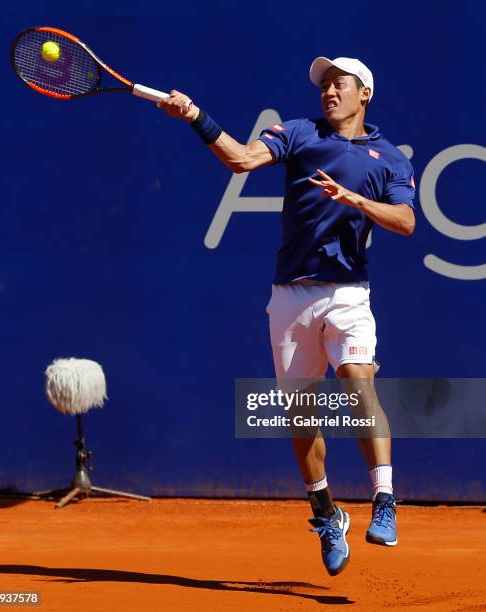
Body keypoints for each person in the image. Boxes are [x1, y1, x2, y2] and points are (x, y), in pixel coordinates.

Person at [157, 56, 415, 576]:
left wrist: (355, 200)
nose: (328, 92)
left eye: (339, 84)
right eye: (324, 85)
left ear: (364, 93)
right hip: (290, 295)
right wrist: (195, 115)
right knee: (300, 414)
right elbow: (241, 160)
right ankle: (325, 513)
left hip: (348, 293)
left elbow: (406, 221)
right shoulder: (299, 133)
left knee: (358, 382)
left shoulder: (388, 158)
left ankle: (384, 498)